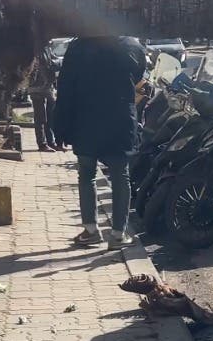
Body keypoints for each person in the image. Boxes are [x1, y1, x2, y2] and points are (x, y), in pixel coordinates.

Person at [51, 35, 147, 248]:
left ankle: (91, 230)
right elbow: (139, 76)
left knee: (86, 175)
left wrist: (59, 127)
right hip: (119, 123)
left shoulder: (77, 48)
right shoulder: (131, 47)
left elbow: (65, 88)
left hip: (85, 123)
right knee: (120, 176)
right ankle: (118, 234)